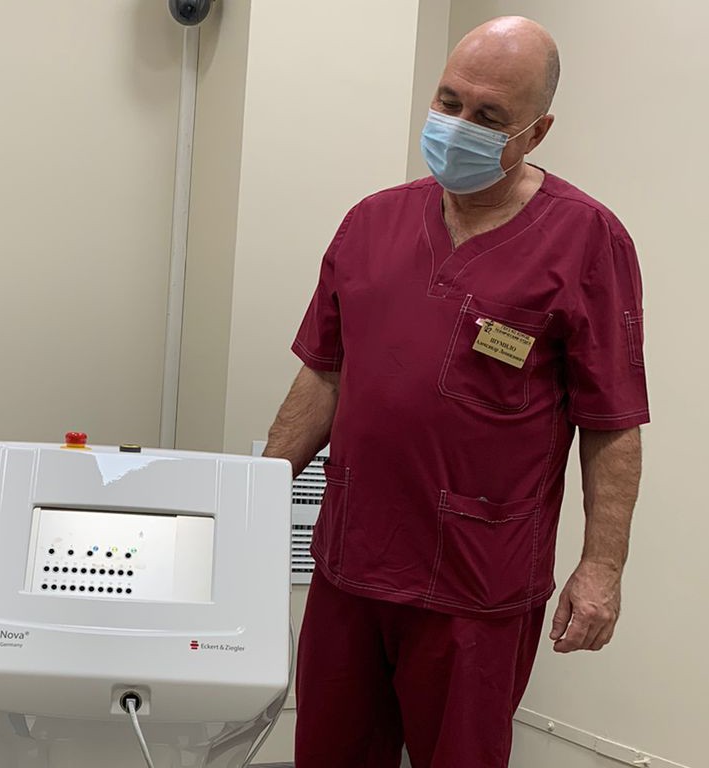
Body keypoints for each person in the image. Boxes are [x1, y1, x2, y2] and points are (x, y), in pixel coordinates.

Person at [263, 16, 649, 768]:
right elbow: (323, 374)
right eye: (449, 102)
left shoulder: (587, 241)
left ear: (536, 133)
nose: (457, 125)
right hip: (351, 565)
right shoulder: (371, 222)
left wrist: (602, 568)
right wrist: (253, 498)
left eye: (488, 116)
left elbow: (612, 424)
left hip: (477, 580)